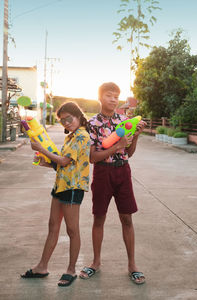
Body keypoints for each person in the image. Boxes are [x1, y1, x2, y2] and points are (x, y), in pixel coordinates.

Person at [79, 82, 146, 285]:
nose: (113, 99)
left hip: (123, 172)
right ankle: (96, 262)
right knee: (99, 218)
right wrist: (116, 146)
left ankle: (132, 265)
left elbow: (129, 153)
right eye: (109, 95)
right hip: (102, 173)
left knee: (127, 219)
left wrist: (135, 137)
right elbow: (92, 158)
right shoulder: (92, 123)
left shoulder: (124, 121)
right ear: (100, 98)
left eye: (116, 96)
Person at [21, 101, 90, 287]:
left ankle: (71, 269)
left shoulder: (82, 136)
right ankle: (42, 266)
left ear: (78, 115)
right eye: (63, 121)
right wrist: (45, 162)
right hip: (60, 185)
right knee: (53, 226)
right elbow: (61, 164)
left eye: (69, 118)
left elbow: (65, 161)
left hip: (73, 188)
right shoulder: (71, 136)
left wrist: (42, 150)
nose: (66, 123)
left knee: (72, 230)